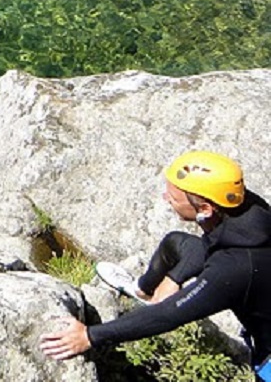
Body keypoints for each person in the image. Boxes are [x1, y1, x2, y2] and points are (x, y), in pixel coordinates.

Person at [40, 151, 271, 380]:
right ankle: (142, 290)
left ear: (205, 209)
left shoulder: (234, 268)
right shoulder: (249, 212)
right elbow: (194, 250)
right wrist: (173, 278)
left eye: (175, 197)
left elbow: (169, 314)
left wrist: (89, 336)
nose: (165, 198)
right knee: (175, 243)